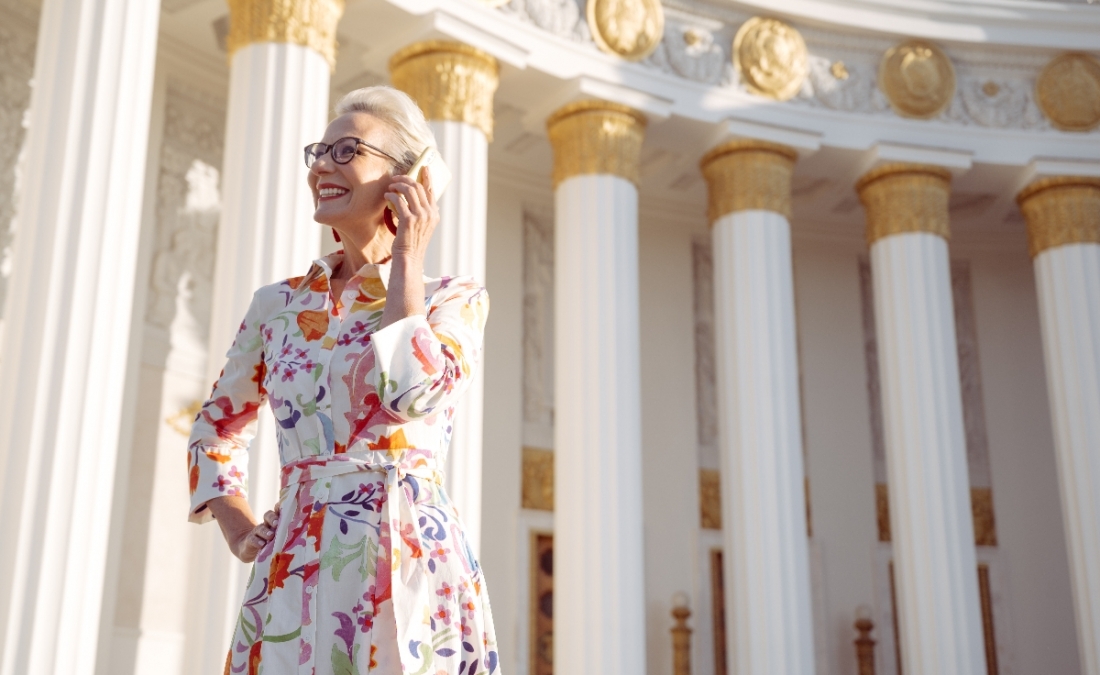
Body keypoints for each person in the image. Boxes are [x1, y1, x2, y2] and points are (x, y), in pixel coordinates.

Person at [186, 86, 499, 675]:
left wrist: (407, 254)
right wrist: (238, 527)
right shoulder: (276, 305)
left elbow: (412, 392)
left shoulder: (452, 299)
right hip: (295, 560)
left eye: (348, 149)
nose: (322, 165)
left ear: (411, 181)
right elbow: (214, 430)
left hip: (409, 559)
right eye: (319, 150)